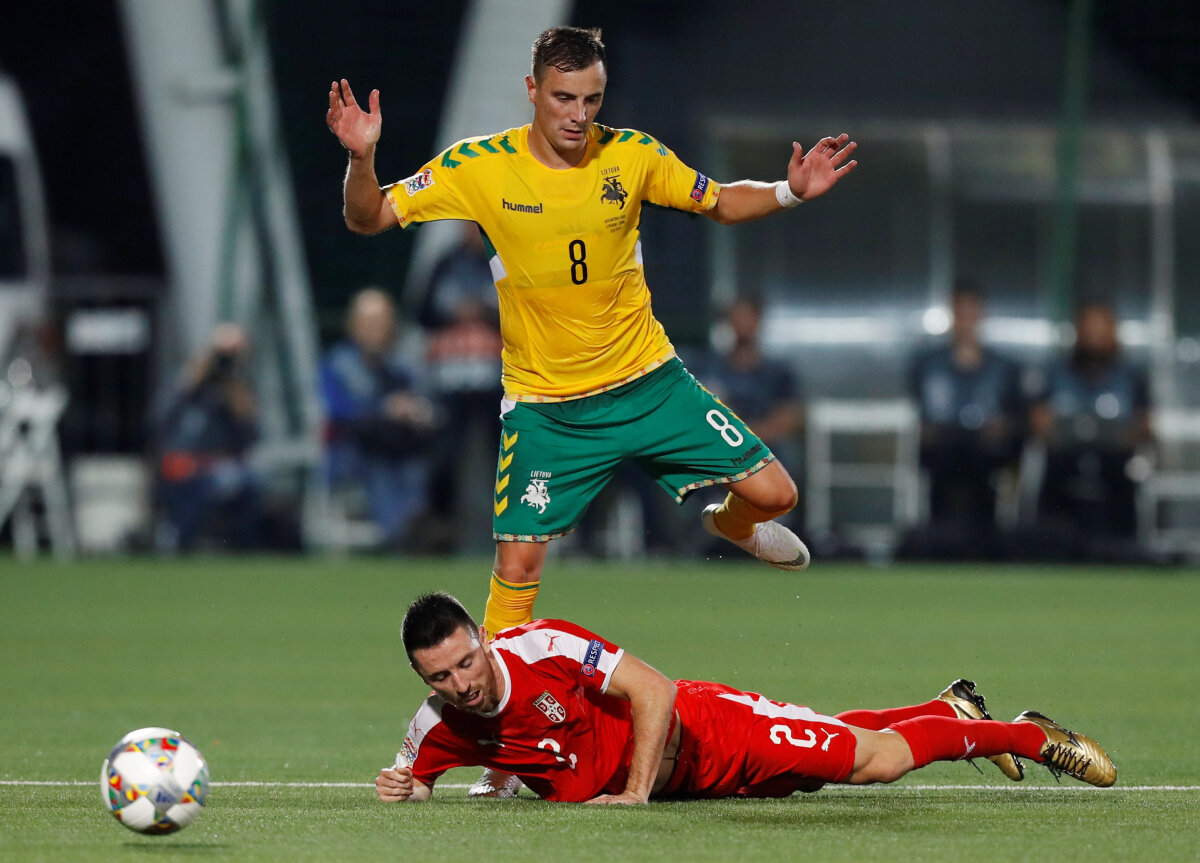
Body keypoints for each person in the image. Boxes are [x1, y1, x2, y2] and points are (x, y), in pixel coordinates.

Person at [327, 26, 857, 640]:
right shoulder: (478, 166)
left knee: (775, 495)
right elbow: (368, 217)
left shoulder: (633, 155)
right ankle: (500, 724)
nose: (579, 116)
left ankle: (729, 526)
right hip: (548, 409)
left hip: (650, 384)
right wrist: (361, 159)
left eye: (592, 100)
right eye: (563, 98)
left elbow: (718, 201)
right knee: (517, 570)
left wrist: (788, 191)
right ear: (532, 90)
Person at [375, 592, 1116, 804]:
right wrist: (401, 788)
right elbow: (411, 783)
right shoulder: (440, 722)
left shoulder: (543, 647)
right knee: (830, 744)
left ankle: (1027, 735)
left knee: (876, 764)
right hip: (694, 785)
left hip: (707, 731)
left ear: (481, 635)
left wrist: (633, 791)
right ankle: (953, 710)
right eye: (441, 677)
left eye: (466, 661)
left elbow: (654, 689)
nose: (462, 683)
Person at [906, 280, 1022, 556]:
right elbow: (914, 412)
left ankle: (987, 543)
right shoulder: (927, 364)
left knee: (982, 460)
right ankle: (938, 540)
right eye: (960, 313)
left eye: (972, 313)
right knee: (946, 458)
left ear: (982, 316)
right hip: (940, 449)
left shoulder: (1004, 367)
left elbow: (1016, 416)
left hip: (987, 450)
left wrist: (1003, 428)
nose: (966, 321)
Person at [1029, 300, 1153, 550]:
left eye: (1101, 329)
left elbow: (1144, 425)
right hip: (1064, 463)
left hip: (1114, 466)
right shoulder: (1055, 372)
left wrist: (1113, 437)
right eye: (1089, 329)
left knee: (1121, 477)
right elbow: (1039, 422)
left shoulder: (1131, 376)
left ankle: (1123, 550)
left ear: (1113, 332)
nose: (1094, 337)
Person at [319, 288, 437, 548]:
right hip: (353, 452)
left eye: (380, 322)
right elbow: (338, 413)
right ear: (353, 326)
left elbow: (424, 402)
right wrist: (384, 409)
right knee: (379, 467)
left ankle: (415, 531)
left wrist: (416, 411)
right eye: (368, 322)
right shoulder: (338, 365)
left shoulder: (401, 364)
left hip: (400, 449)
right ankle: (397, 536)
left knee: (420, 464)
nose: (375, 330)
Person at [154, 322, 263, 551]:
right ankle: (177, 541)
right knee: (194, 486)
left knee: (249, 483)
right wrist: (191, 378)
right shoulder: (187, 382)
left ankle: (243, 549)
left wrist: (238, 399)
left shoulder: (239, 387)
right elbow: (158, 419)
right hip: (184, 463)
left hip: (221, 465)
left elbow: (250, 437)